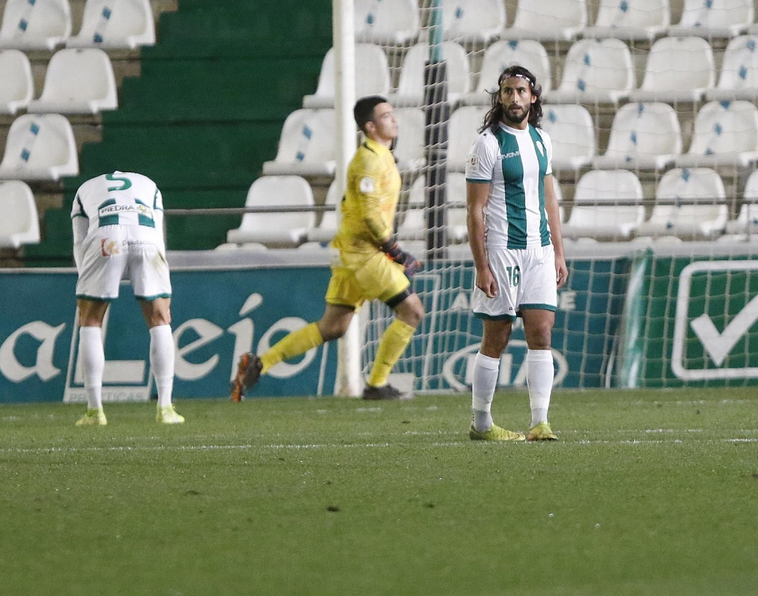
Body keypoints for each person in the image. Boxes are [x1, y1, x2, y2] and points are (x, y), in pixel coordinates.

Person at [232, 96, 425, 401]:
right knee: (412, 311)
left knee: (332, 327)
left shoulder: (382, 156)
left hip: (354, 253)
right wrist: (396, 251)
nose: (395, 119)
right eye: (386, 116)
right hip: (364, 253)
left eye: (393, 113)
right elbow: (370, 215)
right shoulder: (369, 161)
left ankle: (261, 363)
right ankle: (377, 384)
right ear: (370, 126)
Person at [464, 65, 568, 443]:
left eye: (521, 91)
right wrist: (481, 265)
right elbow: (474, 210)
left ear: (533, 97)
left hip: (539, 251)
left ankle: (540, 422)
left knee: (541, 331)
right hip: (502, 252)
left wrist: (558, 252)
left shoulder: (542, 140)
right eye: (507, 92)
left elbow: (548, 198)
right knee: (498, 336)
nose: (514, 99)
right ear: (500, 98)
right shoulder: (488, 143)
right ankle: (481, 423)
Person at [70, 169, 182, 426]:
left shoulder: (84, 189)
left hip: (106, 239)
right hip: (147, 238)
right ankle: (165, 407)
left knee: (89, 321)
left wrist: (87, 280)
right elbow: (159, 235)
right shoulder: (150, 184)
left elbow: (80, 241)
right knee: (160, 319)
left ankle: (94, 410)